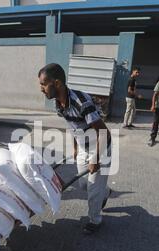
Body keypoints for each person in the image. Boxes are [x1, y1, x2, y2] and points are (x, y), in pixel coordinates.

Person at [38, 63, 112, 235]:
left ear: (56, 83)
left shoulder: (81, 102)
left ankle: (95, 220)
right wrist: (76, 147)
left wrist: (95, 159)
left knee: (93, 192)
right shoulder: (59, 103)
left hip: (101, 147)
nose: (41, 88)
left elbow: (104, 132)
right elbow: (72, 125)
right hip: (84, 147)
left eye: (43, 84)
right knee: (83, 184)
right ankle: (105, 192)